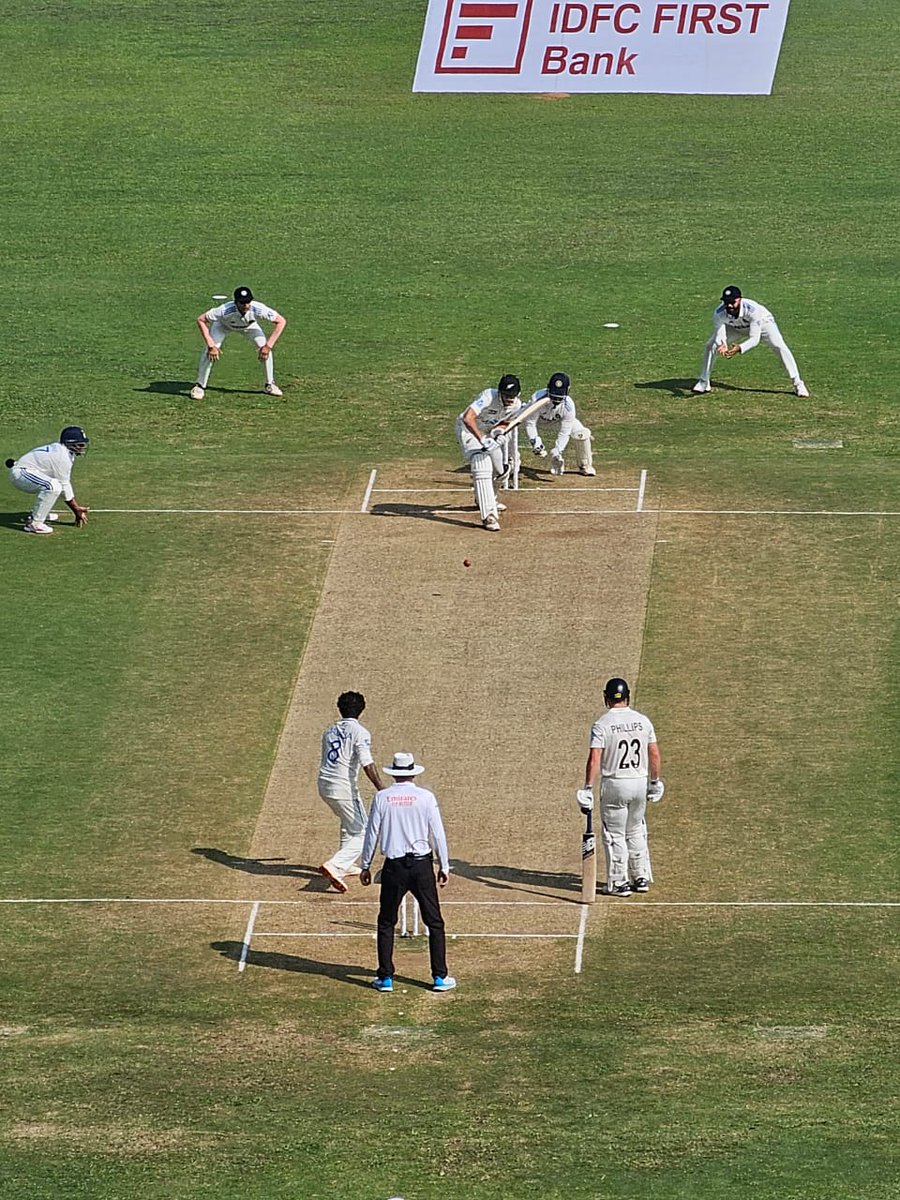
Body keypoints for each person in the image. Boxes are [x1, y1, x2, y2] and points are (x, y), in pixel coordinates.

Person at [360, 751, 455, 993]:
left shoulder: (383, 797)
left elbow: (372, 833)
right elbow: (437, 833)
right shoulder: (425, 797)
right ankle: (439, 976)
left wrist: (365, 865)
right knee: (434, 921)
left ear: (394, 773)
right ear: (412, 772)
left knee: (386, 921)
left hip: (394, 867)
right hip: (422, 866)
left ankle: (386, 978)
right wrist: (444, 865)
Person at [576, 677, 664, 897]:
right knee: (635, 829)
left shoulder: (602, 724)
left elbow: (595, 759)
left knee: (614, 834)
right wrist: (655, 781)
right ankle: (640, 877)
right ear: (628, 697)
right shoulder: (643, 721)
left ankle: (619, 882)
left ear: (606, 698)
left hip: (615, 783)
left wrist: (587, 788)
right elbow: (654, 753)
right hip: (639, 782)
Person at [317, 692, 385, 894]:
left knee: (349, 825)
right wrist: (382, 790)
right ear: (362, 709)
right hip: (343, 788)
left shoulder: (329, 730)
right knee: (365, 832)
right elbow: (367, 763)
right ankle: (336, 865)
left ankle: (345, 865)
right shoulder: (360, 732)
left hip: (324, 785)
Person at [693, 285, 809, 397]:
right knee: (710, 345)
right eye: (726, 302)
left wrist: (740, 348)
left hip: (763, 325)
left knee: (779, 346)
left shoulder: (753, 310)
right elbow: (720, 333)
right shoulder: (719, 312)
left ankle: (798, 383)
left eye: (732, 302)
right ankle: (704, 381)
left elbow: (755, 339)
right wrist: (722, 344)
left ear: (740, 300)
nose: (729, 306)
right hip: (735, 327)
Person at [190, 286, 286, 400]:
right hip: (222, 326)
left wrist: (268, 346)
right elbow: (201, 319)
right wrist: (211, 345)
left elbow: (281, 321)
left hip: (249, 326)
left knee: (265, 349)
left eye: (248, 302)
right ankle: (199, 386)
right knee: (209, 352)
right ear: (236, 302)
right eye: (242, 302)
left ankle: (270, 384)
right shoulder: (224, 310)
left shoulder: (258, 309)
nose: (246, 305)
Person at [456, 374, 522, 532]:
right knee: (481, 462)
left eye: (512, 396)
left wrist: (498, 433)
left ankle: (488, 499)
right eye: (505, 396)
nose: (508, 399)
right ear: (499, 392)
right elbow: (468, 417)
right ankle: (489, 515)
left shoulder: (517, 405)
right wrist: (482, 439)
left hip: (487, 433)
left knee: (502, 472)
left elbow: (505, 422)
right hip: (468, 431)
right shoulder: (488, 396)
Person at [6, 427, 91, 535]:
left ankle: (40, 514)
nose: (82, 447)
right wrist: (76, 509)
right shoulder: (62, 457)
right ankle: (34, 524)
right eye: (80, 444)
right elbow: (64, 485)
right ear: (70, 444)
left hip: (29, 471)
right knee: (53, 486)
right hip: (21, 474)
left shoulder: (64, 451)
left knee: (54, 486)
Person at [523, 372, 596, 476]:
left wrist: (558, 450)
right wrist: (535, 441)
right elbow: (530, 423)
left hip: (556, 422)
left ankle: (585, 465)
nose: (556, 400)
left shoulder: (569, 406)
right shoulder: (537, 398)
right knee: (512, 425)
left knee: (581, 433)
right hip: (535, 420)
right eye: (553, 396)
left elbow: (564, 432)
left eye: (559, 397)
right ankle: (509, 462)